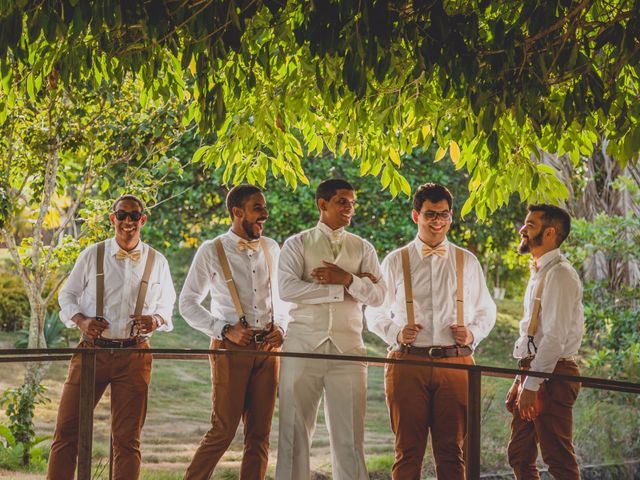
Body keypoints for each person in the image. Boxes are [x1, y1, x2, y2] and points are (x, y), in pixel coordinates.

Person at [366, 182, 496, 480]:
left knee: (452, 452)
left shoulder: (467, 261)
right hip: (407, 362)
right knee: (407, 451)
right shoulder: (396, 260)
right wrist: (396, 333)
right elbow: (373, 312)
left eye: (443, 215)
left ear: (451, 217)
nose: (437, 221)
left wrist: (473, 333)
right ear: (416, 216)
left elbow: (486, 310)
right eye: (430, 215)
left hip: (456, 363)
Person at [48, 194, 176, 480]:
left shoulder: (157, 261)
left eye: (134, 216)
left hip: (134, 355)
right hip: (92, 352)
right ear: (112, 218)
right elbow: (67, 295)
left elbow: (168, 306)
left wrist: (154, 319)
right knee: (67, 430)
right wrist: (81, 320)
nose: (127, 222)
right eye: (122, 215)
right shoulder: (92, 255)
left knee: (128, 439)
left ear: (143, 220)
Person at [275, 178, 386, 480]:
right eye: (342, 201)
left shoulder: (363, 247)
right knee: (293, 433)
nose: (350, 207)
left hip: (348, 351)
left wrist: (349, 279)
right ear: (322, 204)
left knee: (350, 437)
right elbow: (287, 289)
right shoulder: (297, 244)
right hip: (301, 347)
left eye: (352, 202)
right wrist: (339, 290)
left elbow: (379, 296)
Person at [180, 184, 287, 480]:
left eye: (264, 207)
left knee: (260, 434)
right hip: (230, 350)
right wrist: (224, 329)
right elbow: (187, 303)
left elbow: (282, 298)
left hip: (268, 350)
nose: (264, 214)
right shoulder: (211, 250)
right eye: (258, 208)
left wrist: (282, 327)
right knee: (223, 430)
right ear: (237, 212)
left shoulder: (272, 248)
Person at [506, 204, 584, 480]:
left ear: (550, 233)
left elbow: (554, 337)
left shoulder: (561, 274)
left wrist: (532, 384)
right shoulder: (540, 270)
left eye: (530, 225)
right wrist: (521, 378)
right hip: (535, 371)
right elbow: (534, 333)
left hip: (555, 375)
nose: (522, 230)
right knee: (519, 454)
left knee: (558, 459)